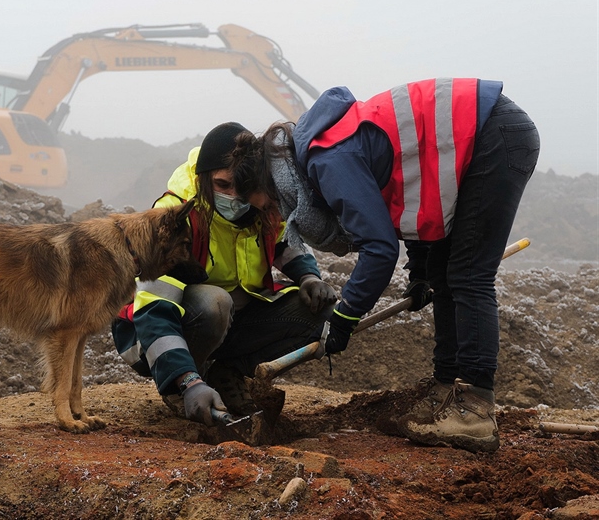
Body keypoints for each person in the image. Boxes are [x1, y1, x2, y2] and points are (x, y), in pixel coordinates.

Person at [230, 78, 540, 453]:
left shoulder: (328, 159)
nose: (274, 213)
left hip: (492, 135)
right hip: (471, 143)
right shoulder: (318, 151)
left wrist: (345, 317)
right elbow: (409, 192)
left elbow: (378, 248)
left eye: (267, 205)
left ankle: (474, 408)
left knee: (468, 275)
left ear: (272, 182)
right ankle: (444, 393)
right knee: (443, 276)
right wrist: (421, 268)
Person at [112, 122, 338, 427]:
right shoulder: (174, 217)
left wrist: (309, 278)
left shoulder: (261, 206)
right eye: (221, 185)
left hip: (230, 320)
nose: (234, 196)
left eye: (240, 187)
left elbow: (284, 243)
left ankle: (227, 372)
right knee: (214, 302)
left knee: (315, 308)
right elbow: (154, 309)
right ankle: (185, 384)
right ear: (205, 179)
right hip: (153, 331)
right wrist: (188, 381)